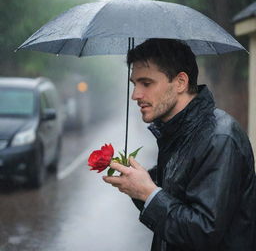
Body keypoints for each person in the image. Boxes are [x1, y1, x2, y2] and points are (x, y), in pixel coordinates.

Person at [103, 38, 256, 251]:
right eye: (134, 84)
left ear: (180, 82)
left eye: (146, 83)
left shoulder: (219, 139)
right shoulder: (176, 133)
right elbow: (173, 203)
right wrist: (136, 186)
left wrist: (148, 193)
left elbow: (203, 231)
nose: (135, 95)